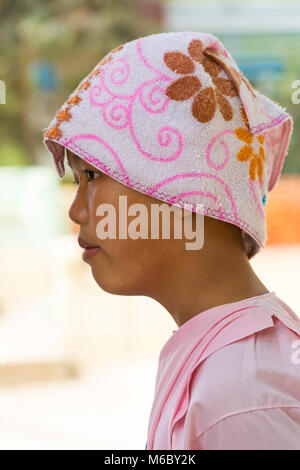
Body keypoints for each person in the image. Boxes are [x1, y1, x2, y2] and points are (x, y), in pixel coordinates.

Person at [42, 31, 300, 450]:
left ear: (183, 191)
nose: (76, 212)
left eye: (91, 176)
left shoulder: (239, 399)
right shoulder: (223, 364)